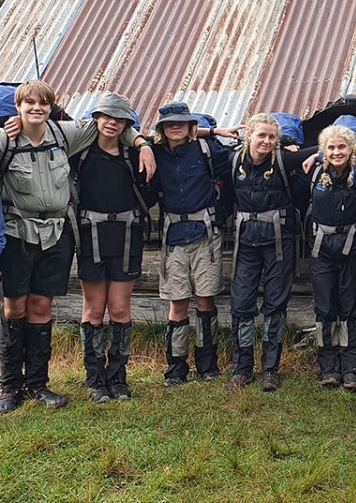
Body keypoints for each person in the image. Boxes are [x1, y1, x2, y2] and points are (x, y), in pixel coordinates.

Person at [0, 80, 153, 413]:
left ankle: (38, 384)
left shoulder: (64, 134)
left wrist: (142, 142)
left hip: (56, 232)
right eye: (29, 104)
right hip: (17, 230)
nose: (36, 109)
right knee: (14, 307)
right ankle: (10, 385)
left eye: (43, 104)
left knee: (41, 305)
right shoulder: (6, 140)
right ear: (19, 107)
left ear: (52, 107)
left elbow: (114, 128)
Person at [147, 101, 233, 388]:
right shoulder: (154, 153)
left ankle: (207, 365)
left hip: (205, 234)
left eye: (182, 122)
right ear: (160, 128)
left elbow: (244, 157)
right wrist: (212, 129)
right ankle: (175, 367)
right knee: (178, 301)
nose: (175, 127)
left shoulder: (209, 151)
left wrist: (211, 133)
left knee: (206, 299)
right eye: (169, 123)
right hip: (173, 236)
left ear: (191, 126)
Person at [72, 93, 151, 403]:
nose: (112, 122)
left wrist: (143, 144)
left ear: (126, 124)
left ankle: (118, 378)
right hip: (91, 237)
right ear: (96, 119)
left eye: (119, 119)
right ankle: (94, 379)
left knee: (119, 308)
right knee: (93, 309)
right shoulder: (79, 152)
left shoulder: (134, 156)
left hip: (127, 237)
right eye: (106, 116)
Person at [227, 113, 311, 391]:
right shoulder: (233, 161)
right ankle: (241, 369)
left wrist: (311, 156)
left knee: (276, 305)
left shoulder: (284, 160)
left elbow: (330, 146)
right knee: (241, 305)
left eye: (272, 137)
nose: (266, 141)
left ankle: (270, 370)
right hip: (246, 243)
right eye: (261, 135)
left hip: (278, 243)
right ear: (249, 135)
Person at [307, 125, 356, 390]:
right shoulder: (315, 173)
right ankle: (328, 368)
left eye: (342, 147)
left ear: (351, 149)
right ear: (324, 151)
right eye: (331, 147)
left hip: (352, 249)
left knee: (350, 309)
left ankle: (351, 369)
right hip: (322, 251)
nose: (336, 152)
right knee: (325, 308)